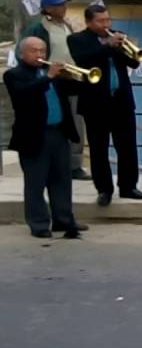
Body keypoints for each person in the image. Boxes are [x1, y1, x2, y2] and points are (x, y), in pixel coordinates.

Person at [67, 4, 142, 206]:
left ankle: (129, 186)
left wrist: (124, 47)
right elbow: (83, 60)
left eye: (107, 20)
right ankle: (104, 190)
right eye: (100, 21)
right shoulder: (77, 39)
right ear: (89, 22)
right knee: (98, 149)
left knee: (127, 146)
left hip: (121, 101)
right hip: (95, 103)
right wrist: (107, 46)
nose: (106, 24)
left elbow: (134, 63)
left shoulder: (117, 37)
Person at [4, 37, 84, 238]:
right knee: (36, 182)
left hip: (59, 133)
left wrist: (74, 75)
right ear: (22, 54)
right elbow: (23, 94)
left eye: (42, 50)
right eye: (34, 51)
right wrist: (48, 76)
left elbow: (72, 92)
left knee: (62, 180)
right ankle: (39, 224)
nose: (40, 55)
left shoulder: (53, 75)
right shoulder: (14, 75)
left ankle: (63, 220)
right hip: (34, 136)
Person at [21, 0, 91, 180]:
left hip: (72, 78)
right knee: (54, 120)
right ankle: (53, 163)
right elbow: (27, 52)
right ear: (48, 8)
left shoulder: (66, 25)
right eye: (60, 5)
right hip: (51, 79)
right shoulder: (38, 28)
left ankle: (75, 165)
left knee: (76, 120)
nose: (64, 7)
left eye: (64, 4)